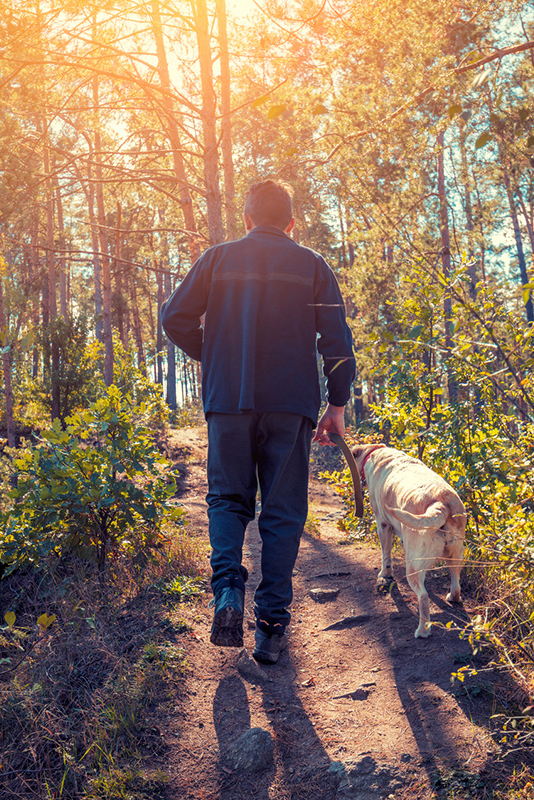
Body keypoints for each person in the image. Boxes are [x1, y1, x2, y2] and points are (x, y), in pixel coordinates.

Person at [161, 179, 355, 664]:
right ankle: (271, 625)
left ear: (246, 219)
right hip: (291, 405)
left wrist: (215, 354)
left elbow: (174, 318)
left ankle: (227, 589)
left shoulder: (216, 259)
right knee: (283, 511)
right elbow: (336, 341)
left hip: (228, 401)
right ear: (291, 223)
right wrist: (336, 404)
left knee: (227, 500)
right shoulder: (312, 265)